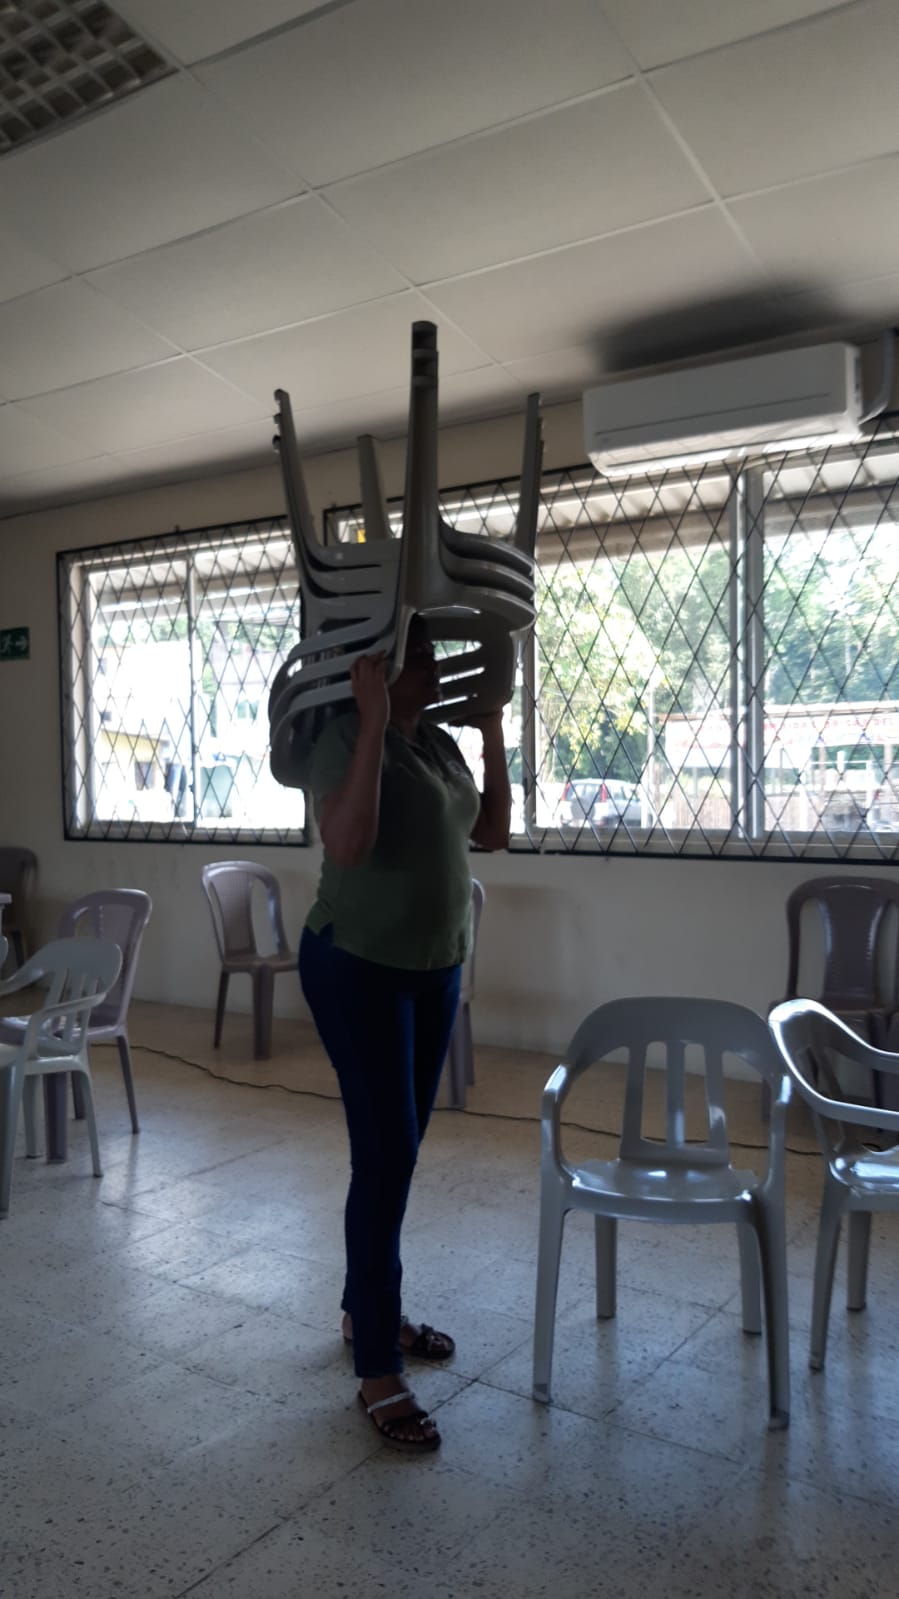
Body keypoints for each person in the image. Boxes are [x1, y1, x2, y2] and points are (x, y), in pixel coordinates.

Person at [298, 616, 511, 1451]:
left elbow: (489, 832)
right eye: (413, 653)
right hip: (356, 963)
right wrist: (374, 724)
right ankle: (378, 1367)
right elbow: (348, 845)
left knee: (400, 1150)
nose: (432, 664)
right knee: (385, 1156)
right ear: (374, 667)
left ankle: (367, 1311)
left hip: (434, 966)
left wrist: (491, 732)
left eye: (430, 652)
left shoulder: (440, 745)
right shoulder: (345, 738)